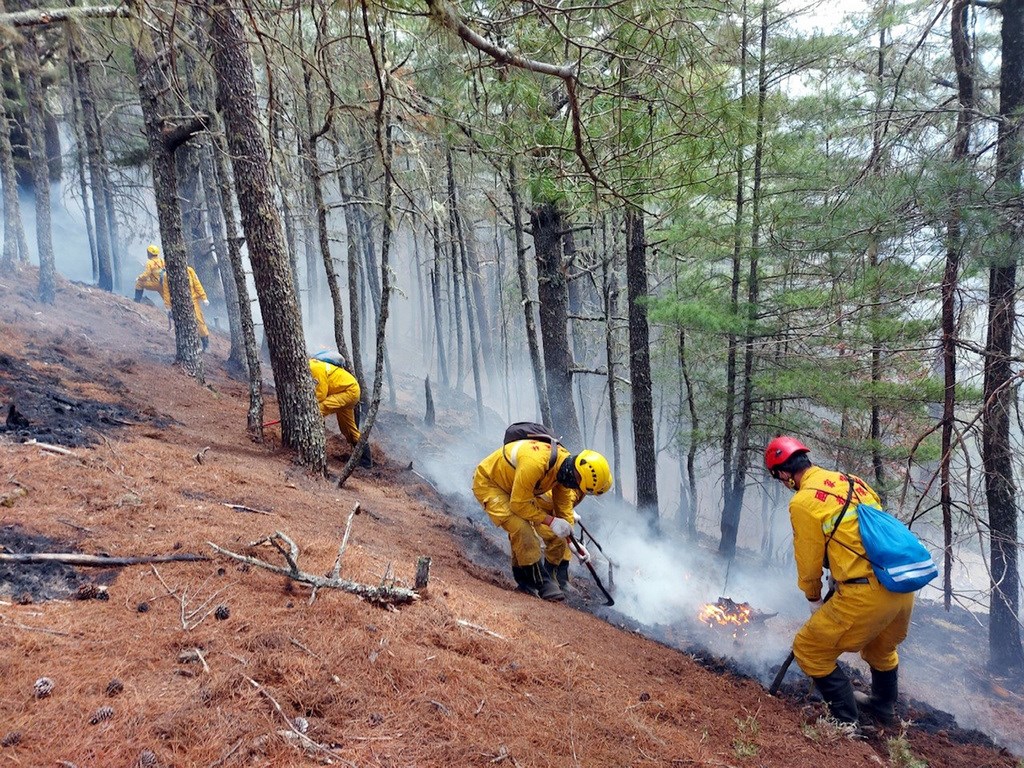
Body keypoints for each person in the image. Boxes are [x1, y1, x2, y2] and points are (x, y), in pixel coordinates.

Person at [765, 435, 914, 726]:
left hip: (865, 595)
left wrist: (813, 598)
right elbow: (865, 532)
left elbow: (808, 562)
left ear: (784, 473)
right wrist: (838, 571)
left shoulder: (803, 502)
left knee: (809, 648)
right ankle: (884, 708)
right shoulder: (853, 481)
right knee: (880, 649)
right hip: (900, 588)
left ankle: (846, 722)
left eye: (779, 478)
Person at [473, 440, 611, 601]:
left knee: (540, 534)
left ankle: (525, 583)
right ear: (577, 471)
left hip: (515, 490)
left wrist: (572, 542)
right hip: (491, 484)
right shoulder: (536, 463)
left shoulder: (565, 469)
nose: (574, 487)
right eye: (577, 482)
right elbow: (518, 504)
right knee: (522, 529)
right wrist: (550, 521)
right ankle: (542, 582)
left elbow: (563, 508)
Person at [134, 244, 212, 351]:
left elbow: (197, 284)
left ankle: (205, 344)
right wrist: (167, 306)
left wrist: (204, 297)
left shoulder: (189, 270)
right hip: (177, 299)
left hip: (191, 300)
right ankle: (194, 344)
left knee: (199, 321)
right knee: (185, 322)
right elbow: (167, 292)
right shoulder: (167, 272)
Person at [309, 355, 371, 468]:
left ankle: (311, 446)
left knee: (317, 409)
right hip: (349, 390)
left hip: (349, 391)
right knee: (348, 429)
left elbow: (321, 395)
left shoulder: (314, 368)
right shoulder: (314, 365)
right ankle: (365, 461)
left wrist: (306, 408)